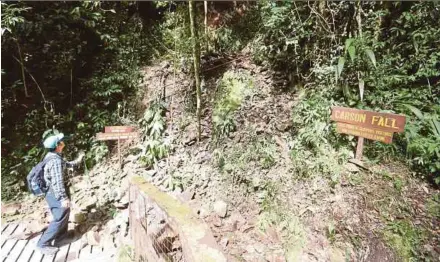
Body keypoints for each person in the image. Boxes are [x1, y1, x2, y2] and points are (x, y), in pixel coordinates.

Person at [37, 133, 84, 255]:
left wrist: (79, 159)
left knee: (64, 214)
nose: (63, 143)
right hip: (55, 193)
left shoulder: (53, 156)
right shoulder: (55, 160)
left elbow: (67, 164)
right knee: (59, 218)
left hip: (51, 192)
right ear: (57, 145)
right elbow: (57, 182)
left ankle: (61, 237)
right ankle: (43, 243)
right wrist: (63, 198)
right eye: (61, 142)